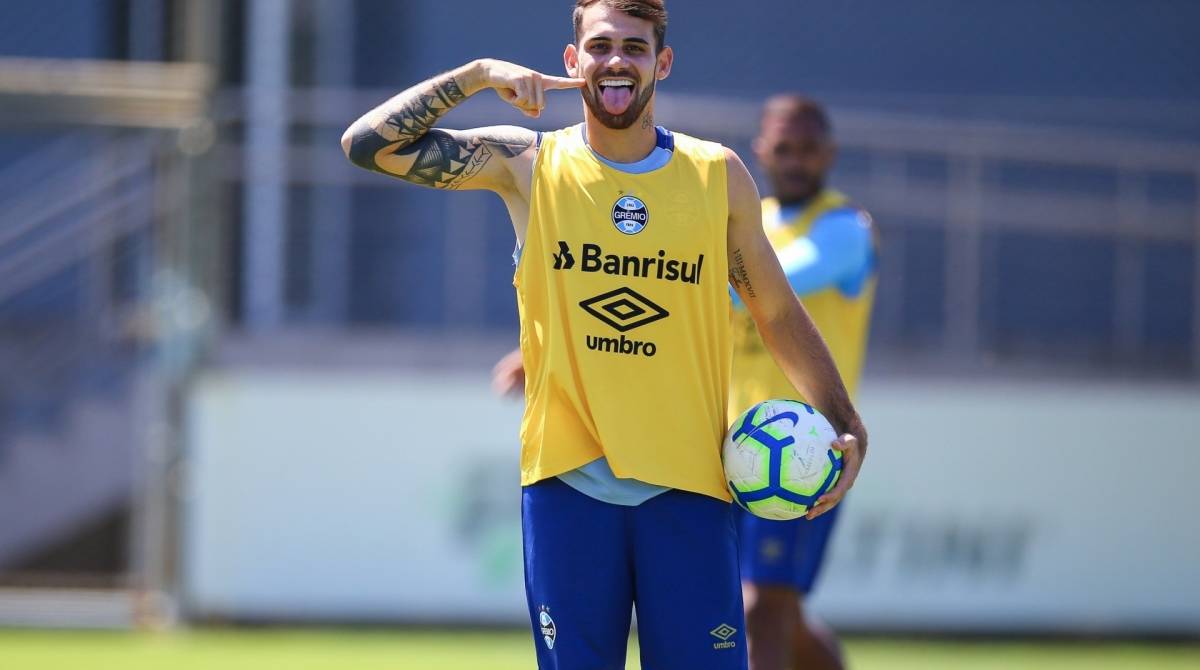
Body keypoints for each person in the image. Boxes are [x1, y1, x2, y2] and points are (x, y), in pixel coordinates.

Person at [342, 2, 867, 668]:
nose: (615, 60)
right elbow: (368, 144)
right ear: (572, 62)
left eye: (635, 47)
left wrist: (847, 420)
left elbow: (778, 311)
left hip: (691, 489)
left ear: (663, 63)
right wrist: (476, 75)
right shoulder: (527, 163)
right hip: (568, 491)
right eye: (599, 45)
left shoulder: (717, 175)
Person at [731, 95, 878, 670]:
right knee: (777, 611)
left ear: (830, 154)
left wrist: (688, 280)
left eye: (808, 149)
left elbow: (772, 286)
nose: (796, 160)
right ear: (761, 150)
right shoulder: (751, 221)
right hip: (736, 444)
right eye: (784, 148)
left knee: (760, 606)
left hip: (804, 449)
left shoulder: (846, 230)